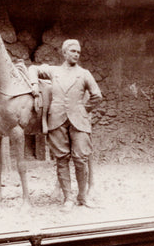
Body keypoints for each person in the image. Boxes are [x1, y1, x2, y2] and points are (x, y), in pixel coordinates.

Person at [31, 39, 102, 209]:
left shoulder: (84, 74)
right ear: (64, 53)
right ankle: (68, 198)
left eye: (78, 52)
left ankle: (82, 197)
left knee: (80, 159)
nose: (76, 54)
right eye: (72, 51)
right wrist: (34, 85)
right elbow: (32, 68)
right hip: (57, 120)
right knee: (62, 160)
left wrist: (84, 110)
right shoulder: (53, 71)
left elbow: (97, 95)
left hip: (79, 122)